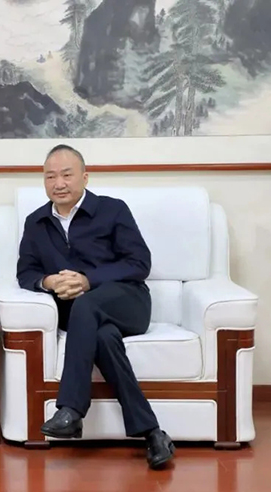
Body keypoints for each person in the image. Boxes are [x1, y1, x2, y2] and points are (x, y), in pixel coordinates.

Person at [16, 144, 175, 470]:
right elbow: (26, 272)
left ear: (85, 177)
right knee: (103, 337)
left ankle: (71, 408)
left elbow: (139, 263)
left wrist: (89, 280)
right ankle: (153, 433)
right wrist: (50, 282)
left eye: (66, 175)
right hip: (81, 316)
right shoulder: (36, 222)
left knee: (86, 304)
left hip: (128, 303)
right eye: (50, 177)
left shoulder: (112, 210)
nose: (59, 183)